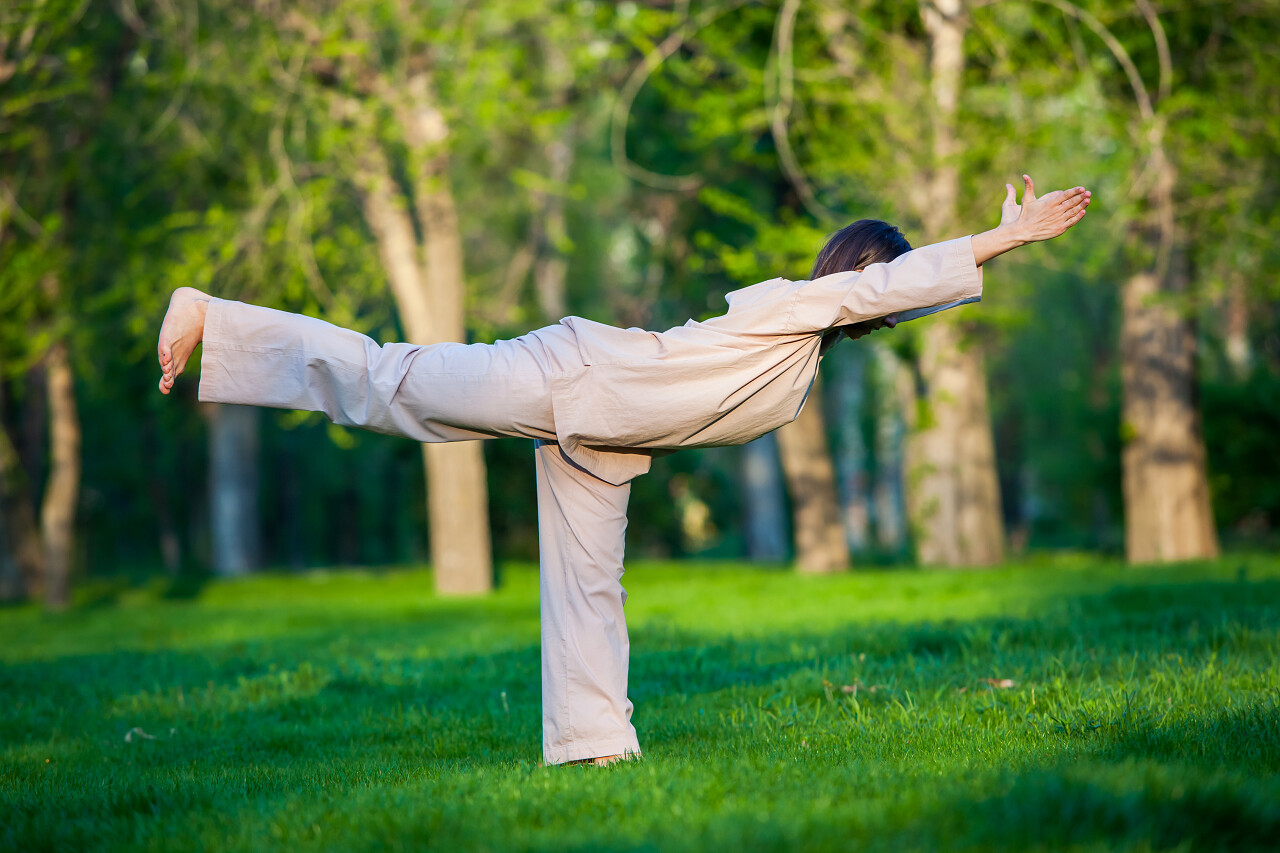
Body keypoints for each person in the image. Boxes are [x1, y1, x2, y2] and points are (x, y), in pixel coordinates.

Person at [158, 175, 1090, 766]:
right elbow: (879, 288)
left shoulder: (802, 359)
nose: (889, 309)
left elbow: (888, 295)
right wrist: (1001, 239)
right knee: (389, 381)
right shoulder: (800, 307)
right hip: (571, 374)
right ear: (861, 275)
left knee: (591, 588)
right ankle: (216, 315)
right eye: (887, 286)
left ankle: (592, 743)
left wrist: (961, 268)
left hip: (604, 438)